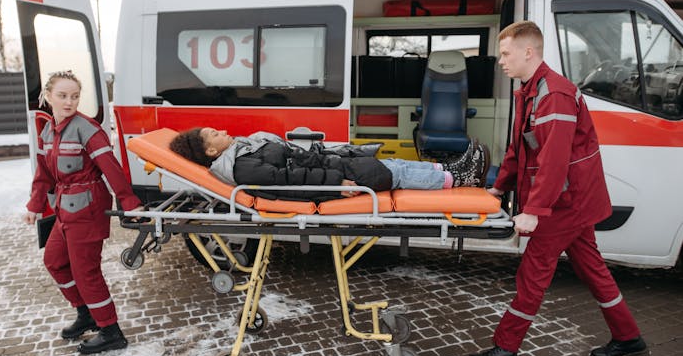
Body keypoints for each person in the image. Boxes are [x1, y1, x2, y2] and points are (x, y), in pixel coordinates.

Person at [466, 21, 646, 356]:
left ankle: (505, 349)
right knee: (593, 269)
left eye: (505, 53)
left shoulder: (554, 95)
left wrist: (533, 210)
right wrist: (500, 186)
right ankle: (628, 337)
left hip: (566, 203)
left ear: (528, 52)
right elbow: (521, 148)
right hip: (571, 201)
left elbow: (555, 159)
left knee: (532, 275)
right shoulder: (530, 92)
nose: (501, 61)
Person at [23, 70, 143, 355]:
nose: (69, 102)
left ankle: (111, 331)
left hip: (88, 209)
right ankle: (86, 313)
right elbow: (44, 174)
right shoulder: (48, 130)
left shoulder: (87, 129)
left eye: (75, 96)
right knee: (54, 261)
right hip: (65, 210)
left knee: (86, 271)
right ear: (48, 97)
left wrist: (130, 202)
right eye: (63, 96)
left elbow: (110, 168)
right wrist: (34, 205)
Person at [168, 127, 490, 200]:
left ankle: (449, 169)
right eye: (215, 134)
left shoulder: (243, 149)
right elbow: (289, 183)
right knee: (396, 173)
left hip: (331, 165)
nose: (222, 131)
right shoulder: (242, 168)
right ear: (211, 152)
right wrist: (336, 185)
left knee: (391, 163)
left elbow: (294, 158)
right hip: (332, 179)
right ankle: (460, 179)